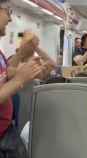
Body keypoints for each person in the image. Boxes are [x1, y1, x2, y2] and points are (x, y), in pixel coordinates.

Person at [0, 0, 45, 155]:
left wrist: (22, 62)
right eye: (7, 11)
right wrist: (20, 79)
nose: (10, 19)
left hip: (6, 131)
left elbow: (5, 74)